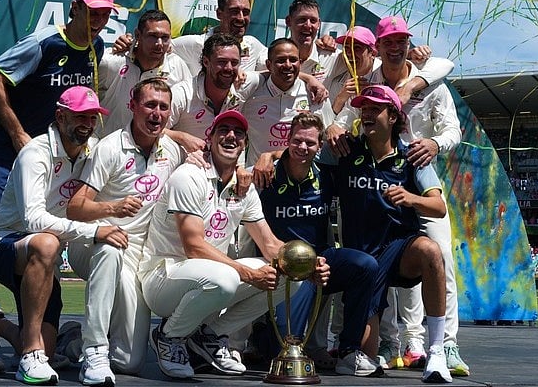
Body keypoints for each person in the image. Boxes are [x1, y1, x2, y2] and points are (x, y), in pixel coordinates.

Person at [0, 0, 115, 363]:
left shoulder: (96, 48)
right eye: (93, 10)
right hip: (13, 152)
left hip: (53, 158)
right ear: (76, 7)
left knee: (42, 236)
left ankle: (20, 329)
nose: (99, 19)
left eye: (105, 13)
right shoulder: (45, 42)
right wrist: (18, 135)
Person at [139, 109, 329, 379]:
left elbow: (270, 244)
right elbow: (193, 246)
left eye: (238, 133)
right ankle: (168, 337)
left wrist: (307, 266)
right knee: (226, 278)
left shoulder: (245, 187)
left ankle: (209, 336)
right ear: (211, 137)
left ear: (245, 144)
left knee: (289, 277)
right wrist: (249, 274)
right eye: (224, 130)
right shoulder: (188, 176)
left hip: (206, 276)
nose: (231, 136)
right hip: (164, 276)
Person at [0, 86, 128, 385]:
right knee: (48, 242)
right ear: (60, 116)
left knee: (48, 350)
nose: (87, 124)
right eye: (80, 116)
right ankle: (26, 356)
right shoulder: (35, 153)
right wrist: (96, 231)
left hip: (45, 259)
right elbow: (34, 219)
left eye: (92, 117)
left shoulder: (93, 150)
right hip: (5, 243)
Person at [330, 16, 467, 376]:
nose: (395, 46)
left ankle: (441, 345)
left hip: (417, 169)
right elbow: (342, 117)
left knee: (436, 255)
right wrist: (331, 124)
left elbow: (451, 112)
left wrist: (435, 143)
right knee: (368, 265)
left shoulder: (428, 73)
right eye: (387, 41)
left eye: (401, 40)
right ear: (378, 47)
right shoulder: (368, 81)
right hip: (376, 194)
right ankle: (390, 340)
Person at [324, 85, 453, 384]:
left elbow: (438, 207)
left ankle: (435, 351)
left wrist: (411, 199)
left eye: (375, 109)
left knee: (431, 251)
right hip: (362, 260)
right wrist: (327, 127)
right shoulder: (345, 150)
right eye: (363, 109)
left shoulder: (411, 157)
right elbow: (300, 155)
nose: (366, 114)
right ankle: (355, 345)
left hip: (399, 249)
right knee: (365, 358)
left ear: (393, 116)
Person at [64, 78, 184, 386]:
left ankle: (72, 341)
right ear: (132, 106)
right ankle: (93, 351)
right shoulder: (109, 148)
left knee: (129, 362)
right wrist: (112, 210)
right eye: (149, 105)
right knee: (109, 249)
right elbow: (76, 208)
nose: (156, 113)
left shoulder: (171, 151)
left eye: (163, 107)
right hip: (93, 242)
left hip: (138, 255)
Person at [258, 113, 380, 377]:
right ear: (287, 141)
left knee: (365, 265)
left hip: (318, 262)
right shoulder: (266, 174)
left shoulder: (327, 177)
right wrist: (267, 155)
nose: (303, 148)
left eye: (311, 143)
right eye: (298, 141)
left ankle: (348, 351)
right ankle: (272, 341)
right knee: (280, 349)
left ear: (320, 146)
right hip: (278, 264)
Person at [96, 10, 190, 136]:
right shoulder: (112, 61)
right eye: (153, 36)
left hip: (152, 151)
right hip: (107, 149)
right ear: (137, 35)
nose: (159, 44)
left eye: (165, 37)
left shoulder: (177, 67)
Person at [171, 0, 268, 76]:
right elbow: (163, 47)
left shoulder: (253, 45)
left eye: (246, 12)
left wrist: (248, 76)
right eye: (234, 11)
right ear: (219, 14)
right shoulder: (197, 44)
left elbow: (275, 69)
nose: (241, 18)